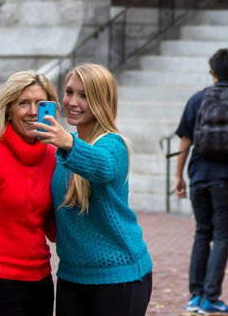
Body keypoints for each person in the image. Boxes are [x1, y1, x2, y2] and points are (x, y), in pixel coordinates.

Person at [34, 63, 153, 316]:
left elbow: (103, 167)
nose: (72, 102)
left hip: (119, 277)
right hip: (72, 276)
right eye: (69, 92)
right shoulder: (63, 149)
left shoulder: (113, 144)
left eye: (84, 95)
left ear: (101, 101)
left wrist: (68, 143)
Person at [172, 48, 228, 315]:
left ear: (212, 72)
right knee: (222, 236)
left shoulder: (197, 100)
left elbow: (185, 141)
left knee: (202, 233)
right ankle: (211, 297)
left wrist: (179, 176)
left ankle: (195, 296)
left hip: (200, 176)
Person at [0, 72, 60, 316]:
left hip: (41, 282)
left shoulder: (52, 157)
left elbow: (52, 230)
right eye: (23, 103)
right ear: (8, 109)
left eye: (40, 104)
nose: (31, 111)